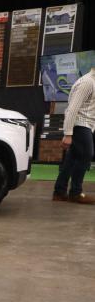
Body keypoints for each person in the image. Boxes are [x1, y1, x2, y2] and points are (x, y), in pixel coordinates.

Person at [54, 67, 95, 204]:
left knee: (72, 159)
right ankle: (75, 193)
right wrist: (68, 134)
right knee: (86, 155)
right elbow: (72, 109)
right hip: (80, 124)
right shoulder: (87, 82)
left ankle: (59, 192)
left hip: (86, 125)